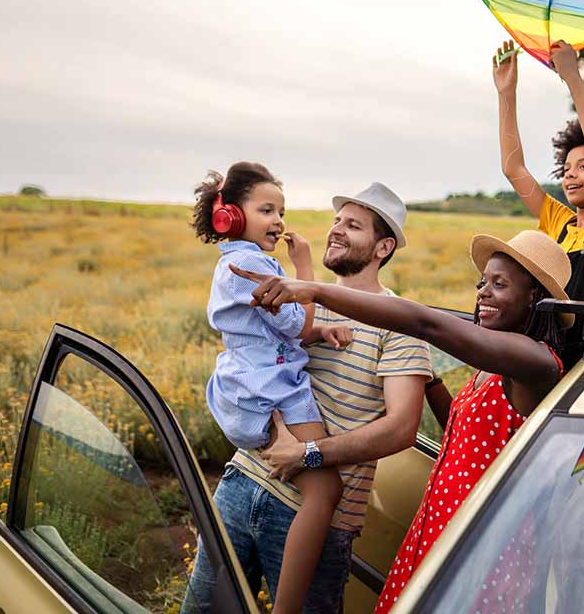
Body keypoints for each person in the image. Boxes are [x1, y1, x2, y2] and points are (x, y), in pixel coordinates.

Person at [232, 229, 571, 614]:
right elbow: (463, 436)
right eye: (482, 282)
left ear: (533, 298)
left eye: (499, 284)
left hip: (486, 540)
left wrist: (314, 290)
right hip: (444, 523)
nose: (483, 292)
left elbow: (428, 324)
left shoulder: (537, 364)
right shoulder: (493, 369)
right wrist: (425, 377)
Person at [184, 182, 433, 614]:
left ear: (383, 247)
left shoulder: (400, 324)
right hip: (241, 483)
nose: (335, 231)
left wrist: (308, 455)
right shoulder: (296, 295)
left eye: (352, 225)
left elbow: (402, 428)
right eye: (336, 220)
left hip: (320, 519)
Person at [190, 162, 348, 614]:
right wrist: (304, 269)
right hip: (275, 392)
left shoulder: (232, 264)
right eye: (266, 210)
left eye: (281, 211)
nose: (278, 221)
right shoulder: (257, 267)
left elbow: (271, 331)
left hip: (243, 391)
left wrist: (320, 333)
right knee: (326, 491)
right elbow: (297, 326)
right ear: (232, 217)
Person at [492, 39, 584, 308]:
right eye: (566, 169)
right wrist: (506, 93)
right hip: (549, 339)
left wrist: (572, 75)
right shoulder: (558, 222)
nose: (571, 175)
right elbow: (513, 169)